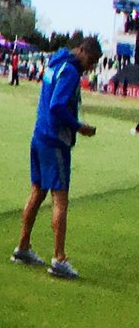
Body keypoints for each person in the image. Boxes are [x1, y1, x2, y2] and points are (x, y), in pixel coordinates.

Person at [12, 37, 101, 280]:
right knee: (60, 199)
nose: (90, 67)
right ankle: (59, 259)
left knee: (37, 192)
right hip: (55, 141)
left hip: (39, 135)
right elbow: (57, 106)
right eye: (90, 61)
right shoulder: (70, 72)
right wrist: (78, 126)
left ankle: (23, 247)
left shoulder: (55, 63)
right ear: (81, 51)